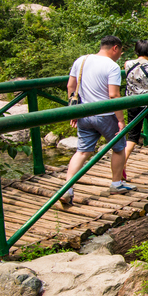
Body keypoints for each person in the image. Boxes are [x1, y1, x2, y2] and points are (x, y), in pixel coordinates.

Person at [61, 35, 130, 207]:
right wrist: (121, 120)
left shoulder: (81, 60)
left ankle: (67, 189)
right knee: (119, 148)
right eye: (120, 51)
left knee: (82, 151)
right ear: (115, 48)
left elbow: (71, 86)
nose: (120, 54)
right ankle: (116, 184)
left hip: (84, 113)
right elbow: (114, 95)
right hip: (106, 115)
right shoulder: (112, 66)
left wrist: (73, 111)